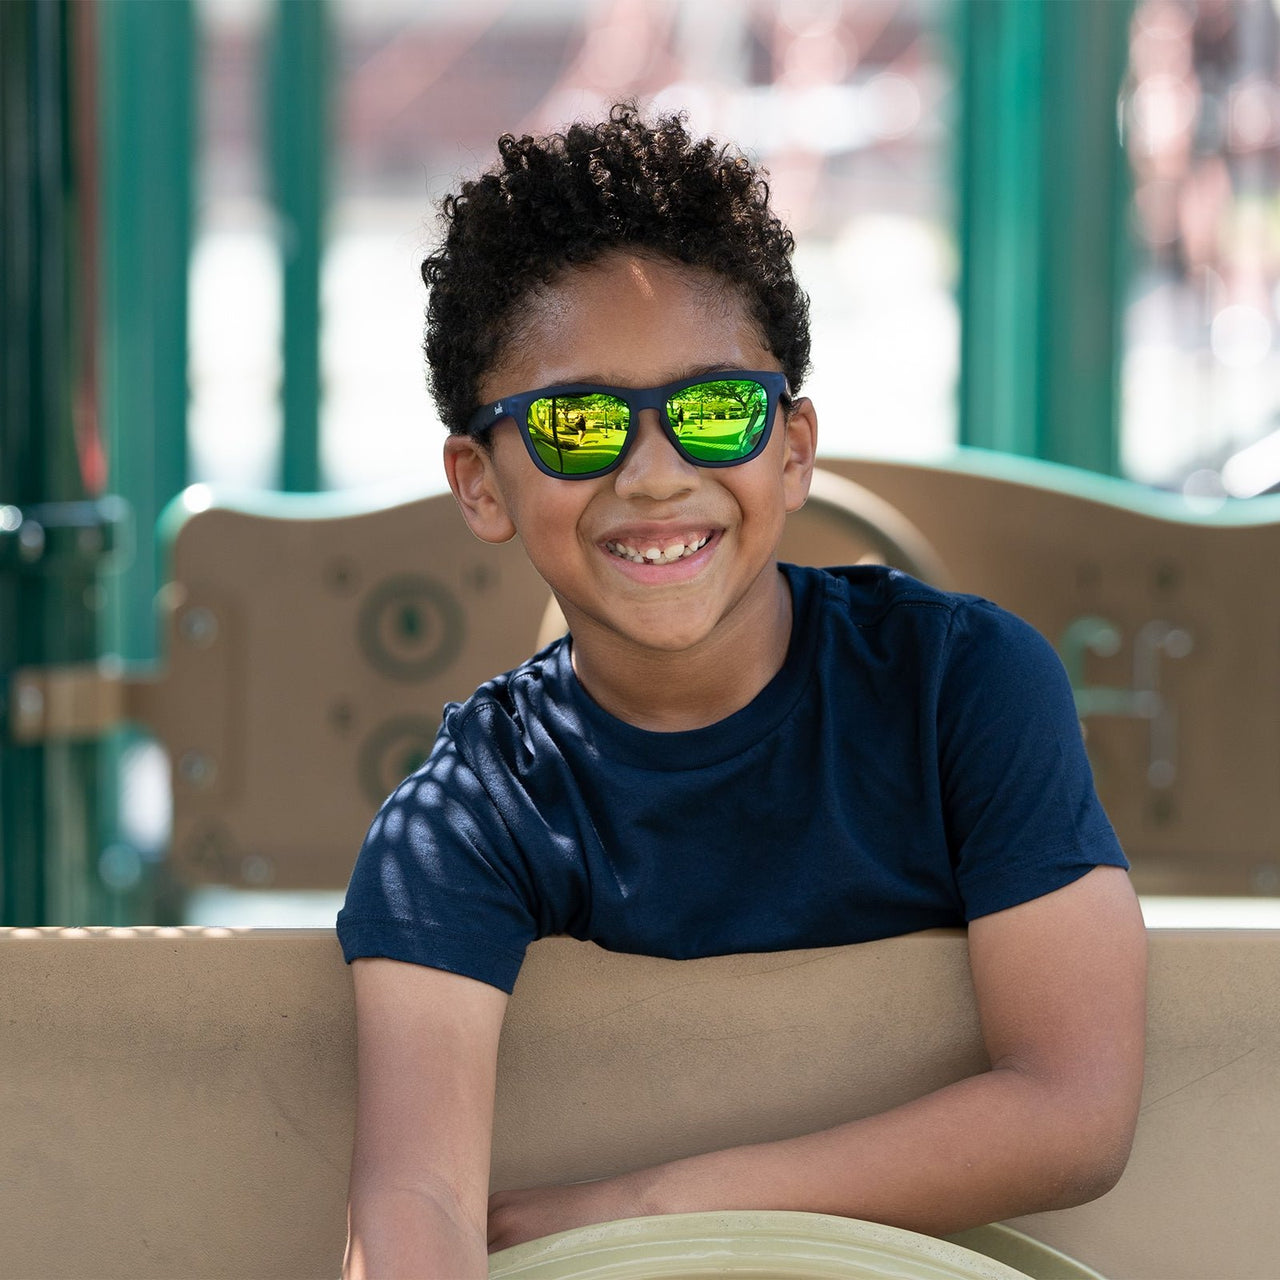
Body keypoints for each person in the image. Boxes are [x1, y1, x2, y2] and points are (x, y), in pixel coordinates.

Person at [337, 103, 1146, 1280]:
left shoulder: (963, 686)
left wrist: (653, 1201)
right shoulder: (463, 817)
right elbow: (413, 1199)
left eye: (714, 409)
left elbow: (1072, 1105)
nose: (655, 472)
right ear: (478, 480)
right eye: (577, 422)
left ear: (792, 446)